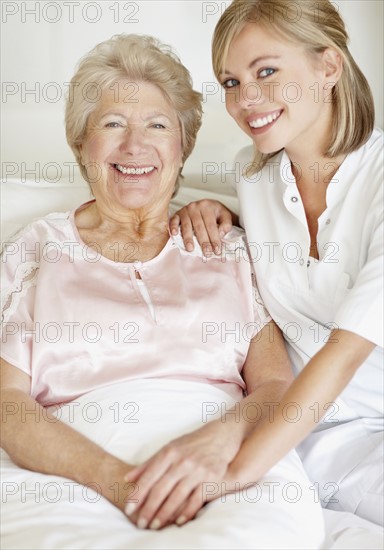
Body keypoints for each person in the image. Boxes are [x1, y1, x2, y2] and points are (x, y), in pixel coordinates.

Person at [0, 34, 324, 549]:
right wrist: (120, 481)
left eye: (157, 125)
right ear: (82, 144)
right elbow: (7, 404)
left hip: (229, 464)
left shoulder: (231, 246)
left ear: (181, 147)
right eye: (112, 125)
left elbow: (274, 388)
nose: (135, 146)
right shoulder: (36, 249)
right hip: (65, 476)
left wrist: (214, 445)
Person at [167, 0, 383, 527]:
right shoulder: (253, 176)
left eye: (266, 71)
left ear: (328, 67)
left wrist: (234, 473)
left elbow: (345, 350)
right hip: (303, 434)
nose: (246, 100)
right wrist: (223, 212)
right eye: (232, 82)